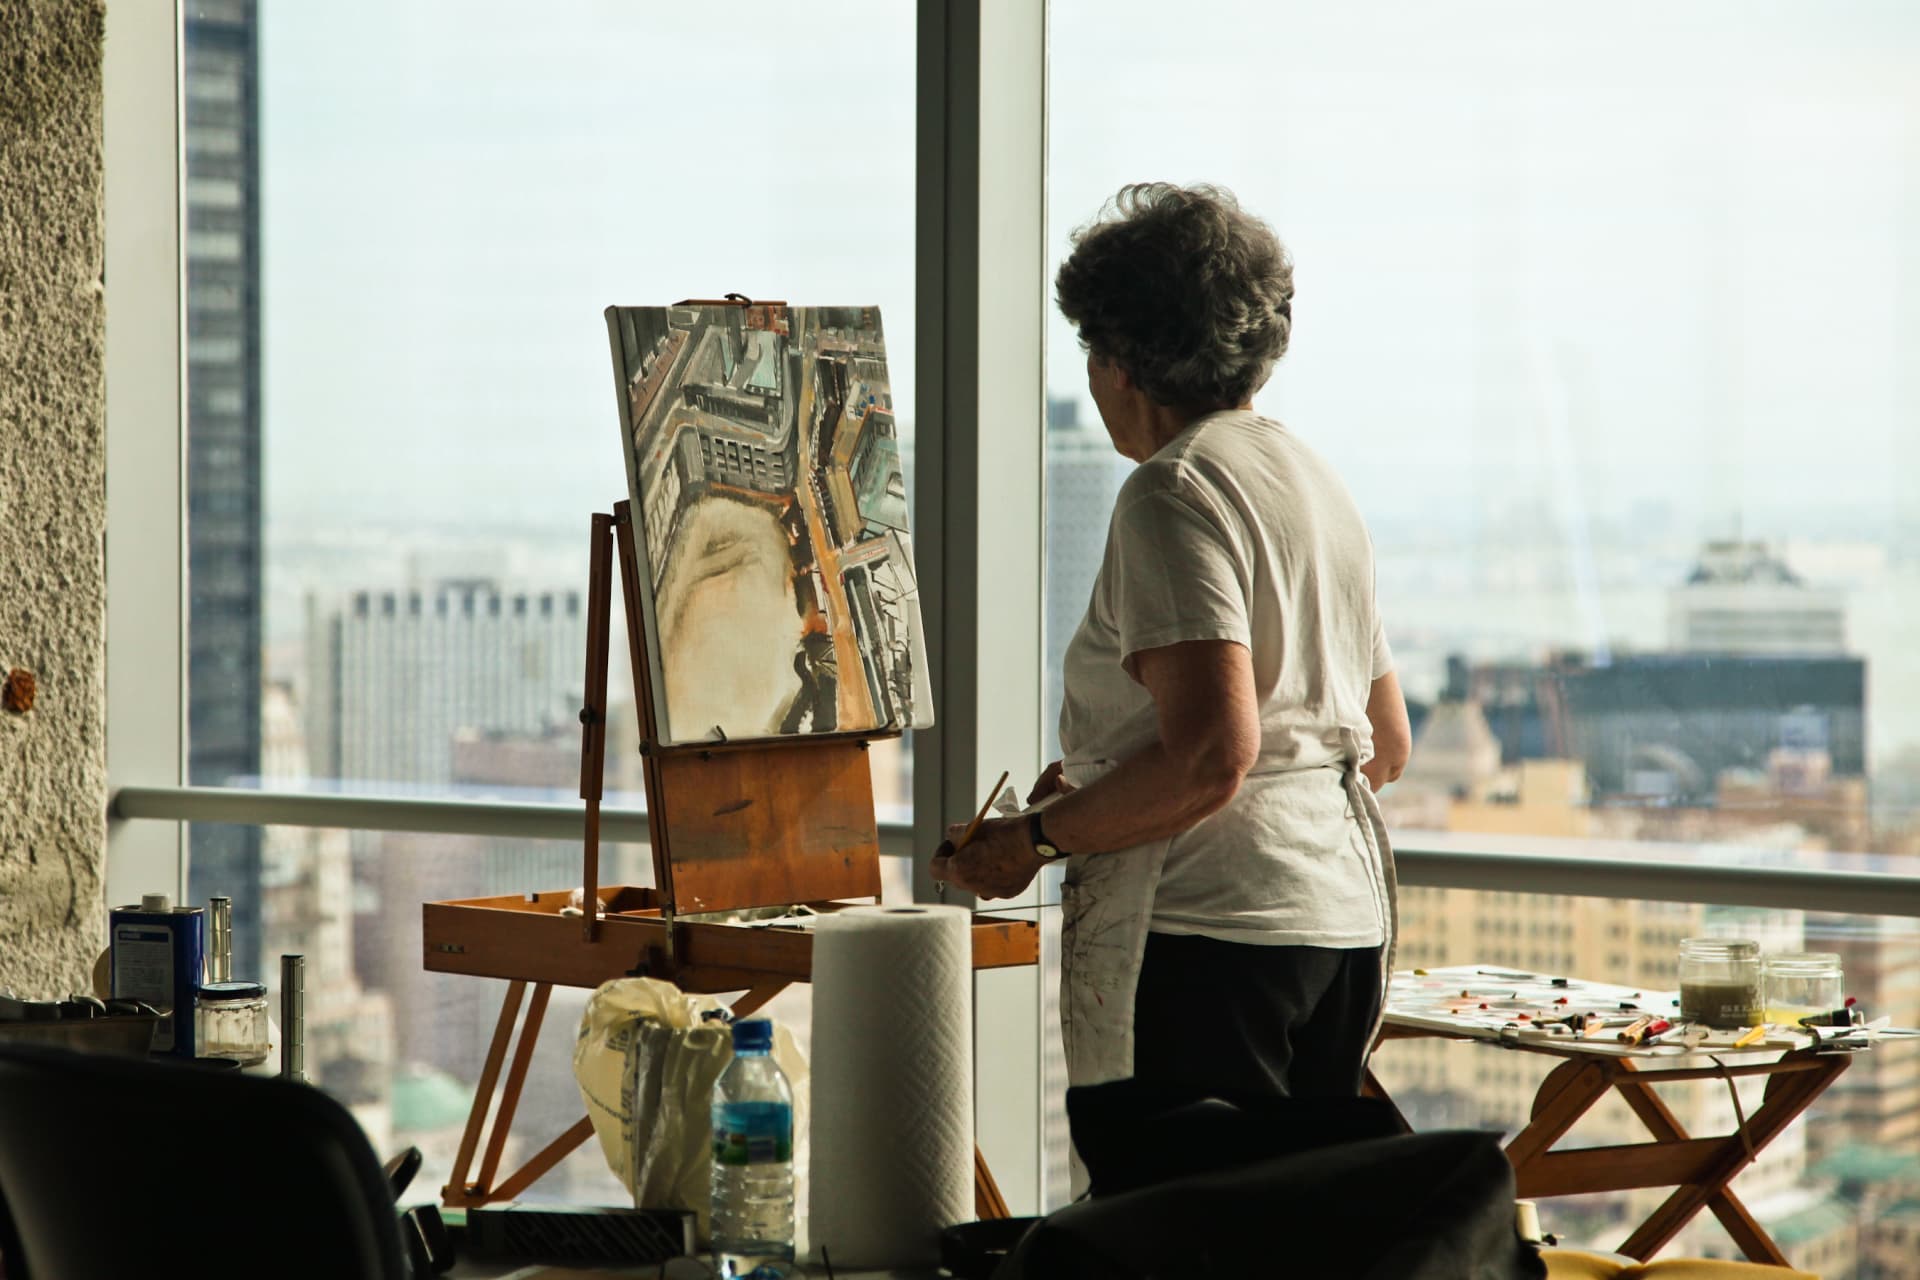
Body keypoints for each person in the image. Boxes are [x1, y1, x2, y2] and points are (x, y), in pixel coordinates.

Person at [931, 182, 1411, 1107]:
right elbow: (1383, 744)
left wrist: (1030, 841)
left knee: (1175, 1235)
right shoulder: (1313, 481)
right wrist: (1106, 788)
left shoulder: (1172, 491)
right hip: (1339, 926)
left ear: (1119, 361)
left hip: (1205, 938)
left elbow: (1210, 761)